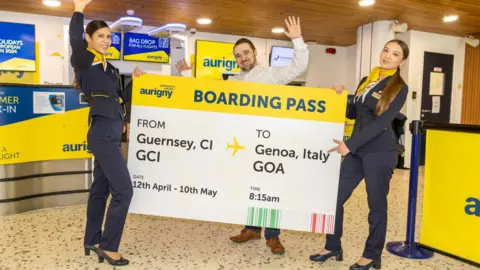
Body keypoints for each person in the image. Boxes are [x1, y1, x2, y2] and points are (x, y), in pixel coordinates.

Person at [176, 17, 309, 255]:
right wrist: (187, 77)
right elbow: (206, 97)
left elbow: (298, 68)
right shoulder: (233, 81)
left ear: (255, 53)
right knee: (250, 188)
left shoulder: (271, 76)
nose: (242, 58)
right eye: (238, 55)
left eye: (246, 53)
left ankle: (273, 236)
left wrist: (297, 39)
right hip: (244, 145)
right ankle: (252, 229)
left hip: (269, 145)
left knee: (270, 190)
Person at [309, 39, 409, 270]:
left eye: (394, 54)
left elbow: (382, 122)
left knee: (376, 206)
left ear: (402, 61)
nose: (387, 56)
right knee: (334, 198)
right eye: (386, 50)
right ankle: (333, 245)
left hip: (380, 153)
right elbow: (355, 113)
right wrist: (341, 97)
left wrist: (350, 145)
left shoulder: (399, 88)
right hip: (358, 151)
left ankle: (372, 254)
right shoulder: (368, 80)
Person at [69, 0, 145, 266]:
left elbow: (121, 98)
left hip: (113, 133)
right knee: (124, 191)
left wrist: (134, 81)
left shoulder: (111, 69)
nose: (105, 39)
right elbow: (74, 41)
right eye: (100, 36)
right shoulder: (84, 60)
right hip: (101, 132)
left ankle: (92, 239)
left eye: (108, 36)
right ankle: (109, 246)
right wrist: (78, 9)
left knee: (100, 190)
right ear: (89, 39)